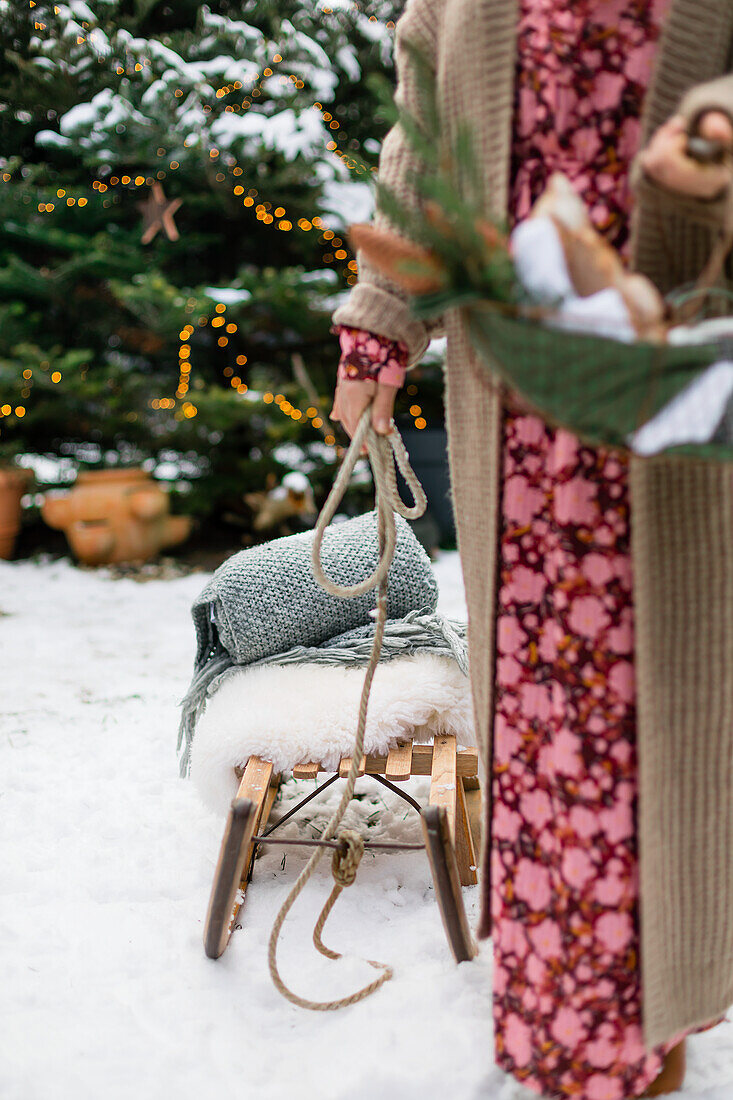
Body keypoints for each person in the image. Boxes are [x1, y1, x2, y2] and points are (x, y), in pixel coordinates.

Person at [329, 2, 733, 1099]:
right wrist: (381, 316)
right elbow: (426, 125)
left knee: (662, 731)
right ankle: (561, 1034)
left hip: (677, 414)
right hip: (523, 431)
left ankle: (642, 1033)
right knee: (548, 730)